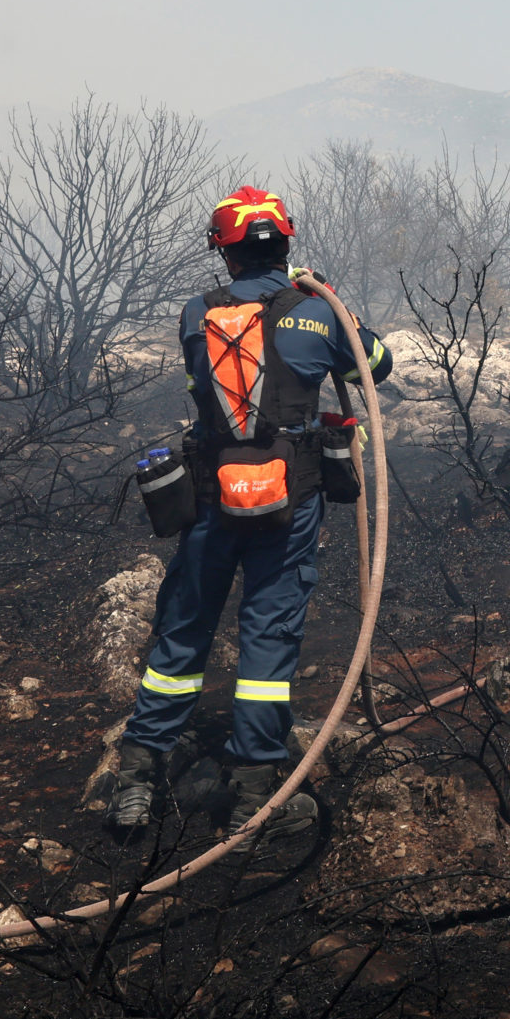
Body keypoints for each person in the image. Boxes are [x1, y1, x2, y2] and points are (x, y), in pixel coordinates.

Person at [107, 185, 392, 849]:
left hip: (212, 501)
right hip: (288, 504)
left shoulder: (192, 313)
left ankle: (137, 778)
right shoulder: (319, 313)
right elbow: (376, 362)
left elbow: (197, 386)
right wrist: (324, 297)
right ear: (286, 244)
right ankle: (254, 797)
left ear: (224, 252)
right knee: (268, 637)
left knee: (183, 630)